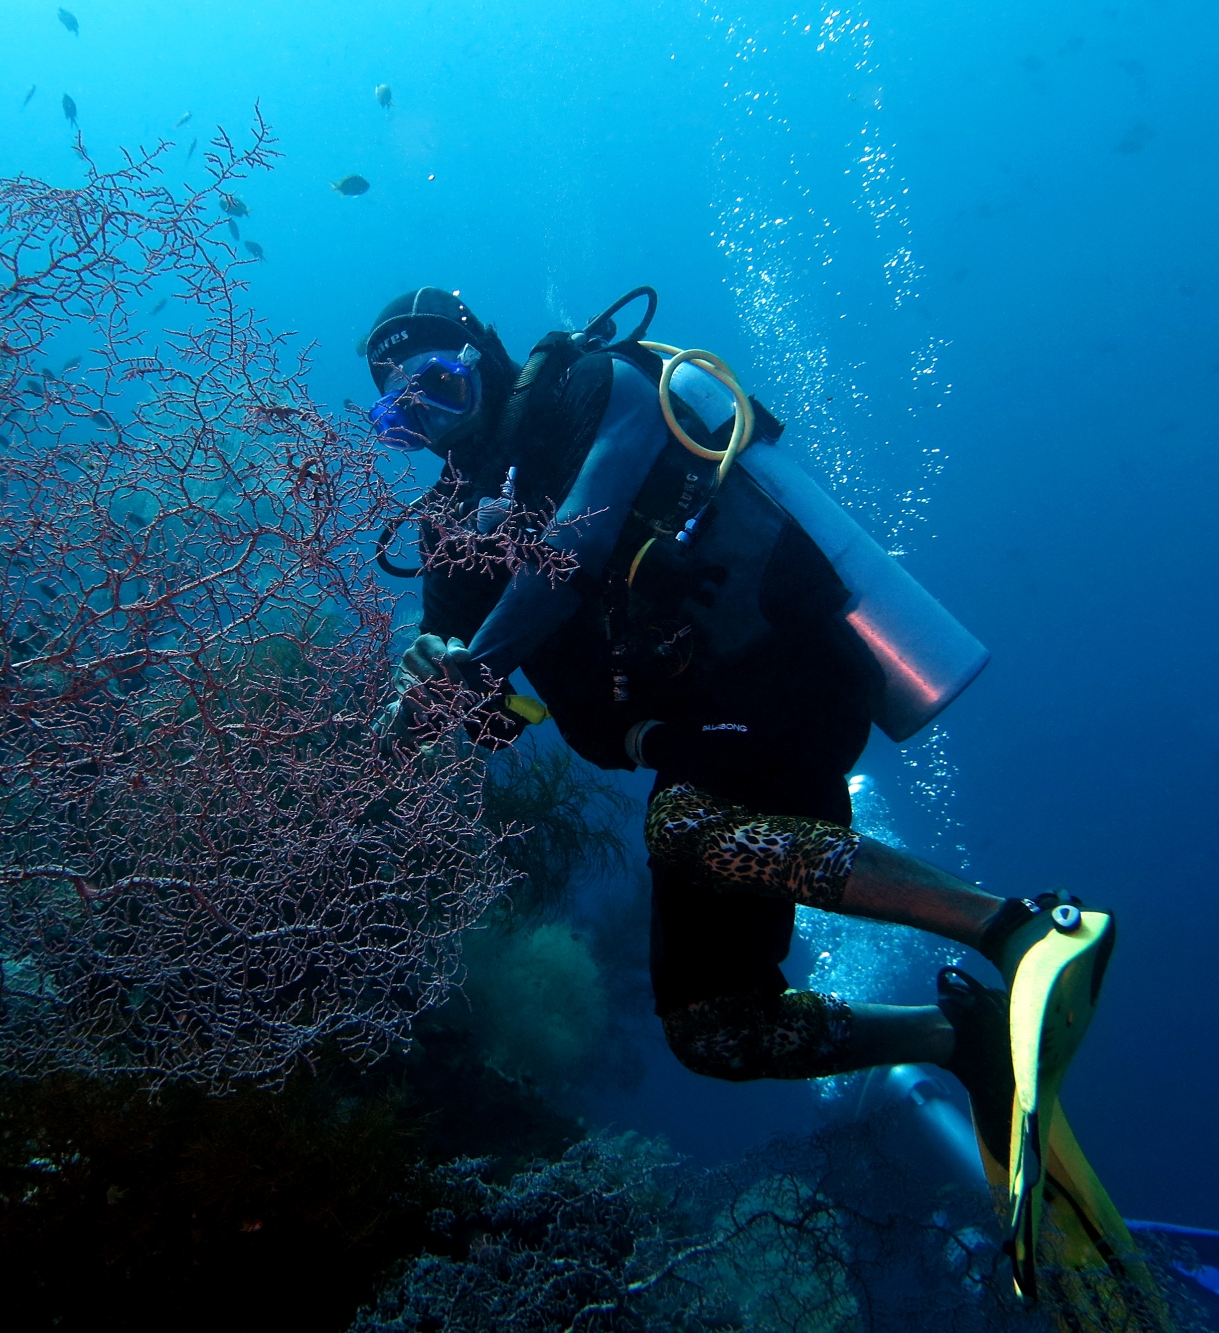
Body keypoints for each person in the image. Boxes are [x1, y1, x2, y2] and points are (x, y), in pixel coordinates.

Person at [366, 286, 1084, 1147]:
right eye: (402, 413)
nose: (430, 420)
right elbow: (449, 667)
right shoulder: (448, 523)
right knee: (713, 1028)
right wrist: (417, 697)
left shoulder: (596, 384)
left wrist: (474, 660)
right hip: (691, 740)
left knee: (689, 829)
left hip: (783, 674)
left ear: (482, 354)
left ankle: (1018, 928)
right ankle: (958, 1038)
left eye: (438, 384)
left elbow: (576, 549)